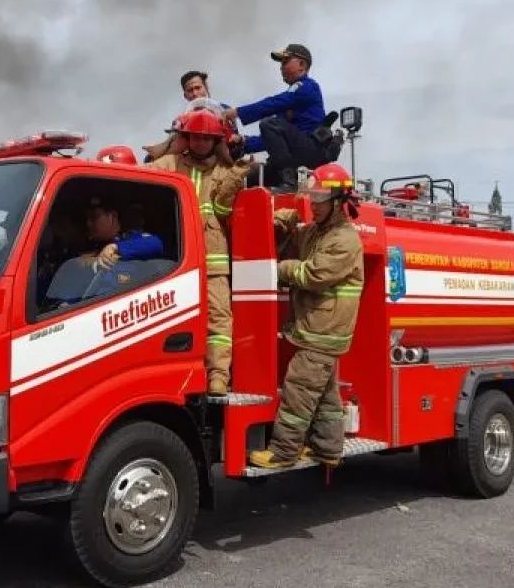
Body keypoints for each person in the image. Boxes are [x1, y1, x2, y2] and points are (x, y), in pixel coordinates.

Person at [249, 163, 365, 470]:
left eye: (320, 198)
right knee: (324, 394)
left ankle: (283, 452)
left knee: (299, 389)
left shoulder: (345, 240)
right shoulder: (318, 232)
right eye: (312, 197)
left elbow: (313, 274)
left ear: (338, 202)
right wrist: (282, 223)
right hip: (317, 328)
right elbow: (292, 240)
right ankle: (328, 448)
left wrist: (280, 270)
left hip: (324, 330)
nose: (314, 204)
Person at [147, 110, 250, 396]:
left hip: (213, 262)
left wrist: (237, 174)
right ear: (186, 138)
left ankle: (218, 376)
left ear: (216, 141)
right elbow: (142, 175)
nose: (201, 142)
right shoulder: (171, 163)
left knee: (218, 319)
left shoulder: (226, 172)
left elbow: (223, 211)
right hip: (177, 263)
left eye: (206, 138)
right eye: (195, 137)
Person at [223, 43, 327, 190]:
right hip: (293, 156)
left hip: (309, 150)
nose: (281, 67)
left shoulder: (307, 87)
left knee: (269, 124)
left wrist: (238, 112)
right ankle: (287, 177)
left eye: (285, 61)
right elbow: (272, 141)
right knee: (246, 181)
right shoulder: (290, 101)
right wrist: (244, 142)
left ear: (302, 65)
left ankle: (289, 181)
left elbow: (272, 103)